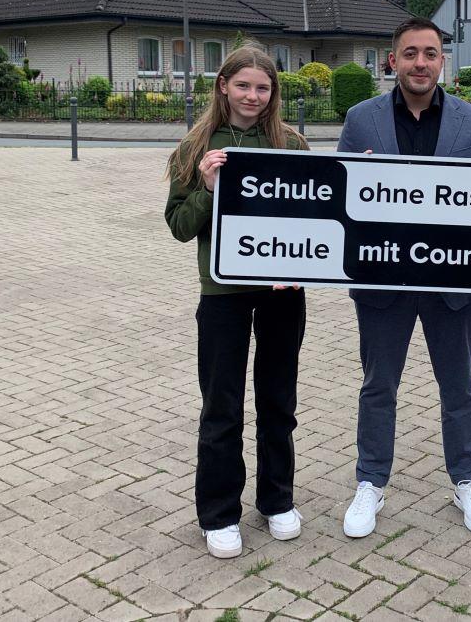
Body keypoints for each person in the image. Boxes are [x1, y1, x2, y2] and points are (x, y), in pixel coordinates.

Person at [337, 17, 471, 538]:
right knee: (378, 386)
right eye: (410, 53)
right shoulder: (361, 120)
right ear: (393, 60)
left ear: (442, 60)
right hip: (384, 283)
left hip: (452, 286)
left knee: (459, 388)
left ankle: (466, 479)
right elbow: (338, 201)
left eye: (430, 53)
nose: (420, 63)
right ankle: (370, 481)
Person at [165, 46, 309, 559]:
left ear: (273, 93)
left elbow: (312, 218)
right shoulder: (196, 146)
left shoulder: (290, 143)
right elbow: (180, 227)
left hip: (281, 295)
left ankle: (277, 501)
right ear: (223, 85)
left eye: (263, 88)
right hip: (222, 295)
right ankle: (219, 512)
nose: (253, 96)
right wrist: (206, 186)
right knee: (222, 406)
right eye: (244, 85)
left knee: (277, 402)